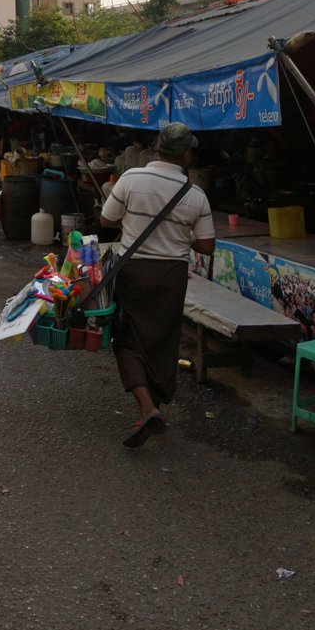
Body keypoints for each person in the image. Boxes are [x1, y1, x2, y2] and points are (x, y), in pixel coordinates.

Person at [98, 122, 214, 449]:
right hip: (171, 276)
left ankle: (147, 408)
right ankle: (154, 407)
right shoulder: (196, 195)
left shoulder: (131, 179)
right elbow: (207, 247)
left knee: (126, 338)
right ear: (187, 155)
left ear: (157, 147)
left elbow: (107, 220)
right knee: (163, 341)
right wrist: (181, 234)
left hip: (133, 270)